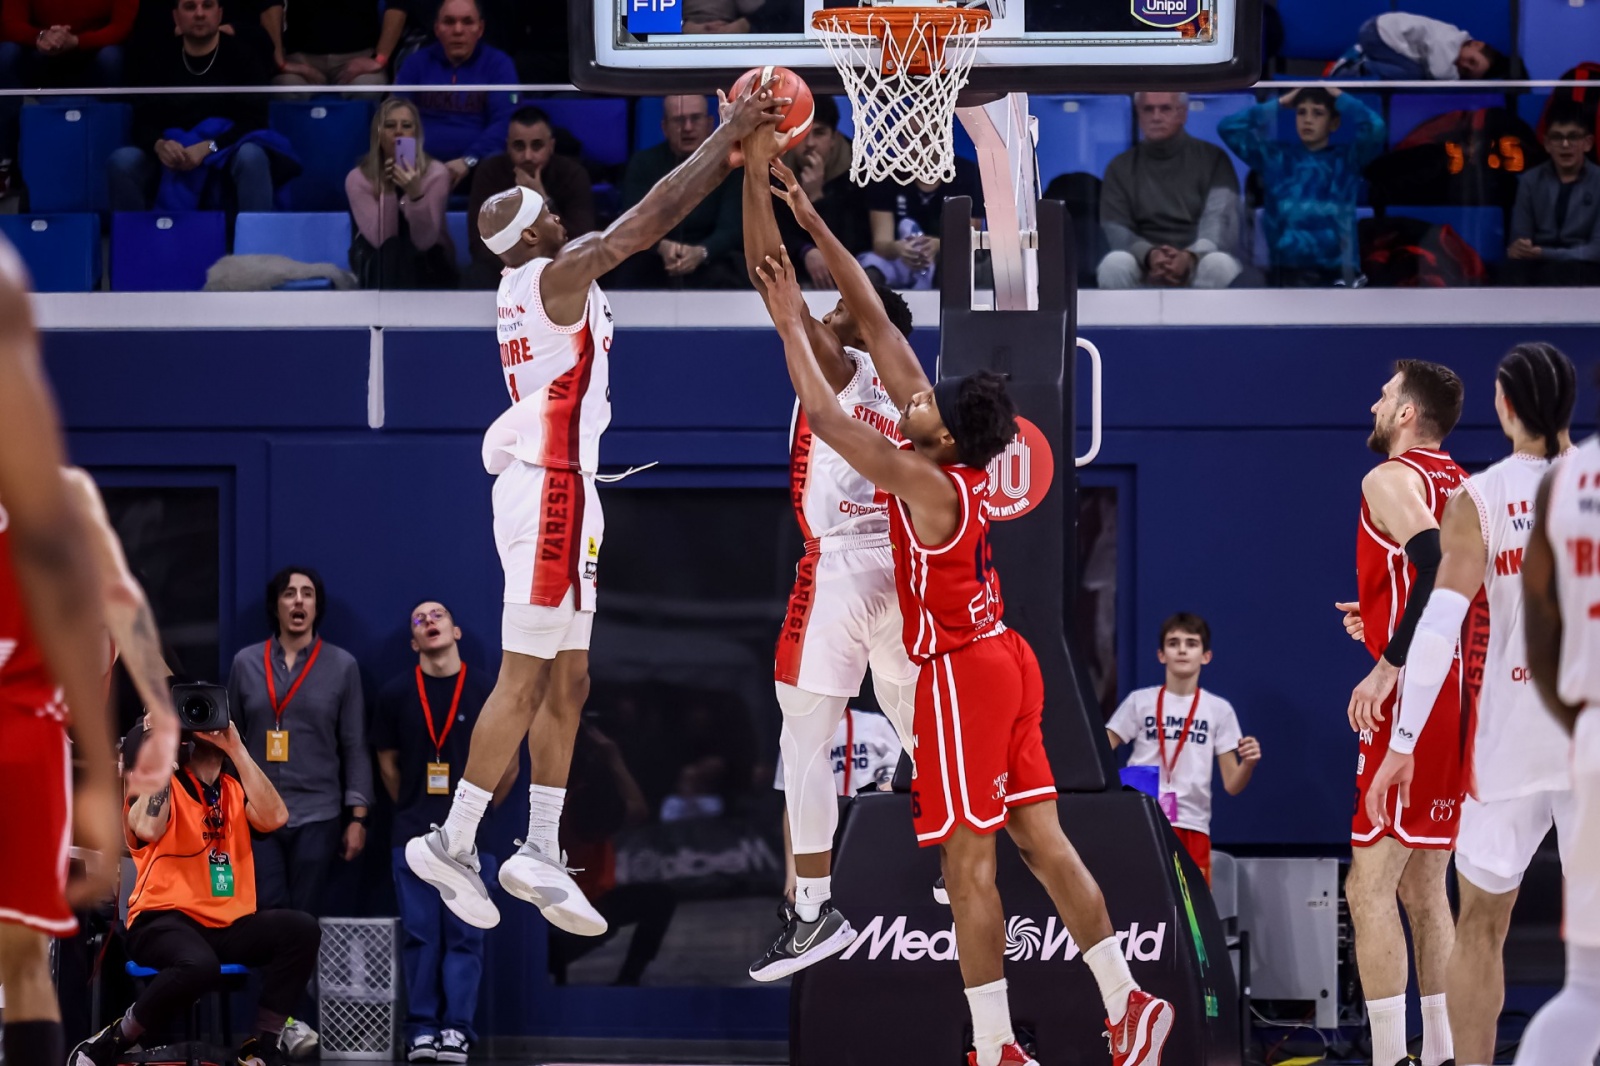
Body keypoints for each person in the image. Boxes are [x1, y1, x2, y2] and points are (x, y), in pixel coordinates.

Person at [755, 159, 1175, 1066]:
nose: (915, 396)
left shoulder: (923, 476)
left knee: (968, 866)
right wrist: (816, 222)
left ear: (942, 434)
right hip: (1008, 659)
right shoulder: (947, 448)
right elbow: (870, 310)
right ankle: (1127, 999)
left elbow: (827, 420)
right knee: (1045, 843)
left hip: (959, 675)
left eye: (926, 404)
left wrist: (790, 318)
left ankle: (992, 1045)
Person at [400, 80, 785, 932]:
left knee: (571, 677)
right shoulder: (550, 276)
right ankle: (456, 839)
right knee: (526, 673)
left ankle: (538, 845)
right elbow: (644, 221)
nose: (557, 214)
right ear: (530, 236)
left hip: (567, 490)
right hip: (551, 492)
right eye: (543, 210)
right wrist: (722, 143)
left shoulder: (530, 282)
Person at [738, 122, 919, 981]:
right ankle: (968, 863)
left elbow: (766, 266)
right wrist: (811, 210)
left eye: (839, 307)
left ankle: (811, 911)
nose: (831, 302)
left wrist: (752, 175)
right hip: (906, 573)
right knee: (927, 738)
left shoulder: (838, 364)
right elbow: (858, 291)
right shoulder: (912, 377)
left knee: (804, 743)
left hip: (843, 569)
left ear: (849, 325)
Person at [1363, 343, 1577, 1066]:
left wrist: (1402, 743)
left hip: (1507, 735)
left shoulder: (1478, 499)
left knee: (1480, 923)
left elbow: (1437, 632)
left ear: (1505, 408)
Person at [0, 237, 174, 1066]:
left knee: (22, 957)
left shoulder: (58, 493)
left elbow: (117, 602)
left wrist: (157, 725)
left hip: (21, 734)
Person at [1336, 360, 1467, 1066]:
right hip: (1463, 692)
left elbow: (1437, 559)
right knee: (1425, 884)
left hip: (1416, 694)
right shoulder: (1464, 482)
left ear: (1408, 414)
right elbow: (1461, 588)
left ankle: (1390, 1057)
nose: (1375, 402)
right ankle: (1442, 1052)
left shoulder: (1388, 478)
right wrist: (1384, 620)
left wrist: (1388, 665)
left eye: (1385, 395)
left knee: (1369, 884)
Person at [70, 718, 317, 1066]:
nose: (208, 726)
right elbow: (148, 827)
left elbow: (276, 817)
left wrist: (237, 748)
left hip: (228, 923)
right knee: (201, 966)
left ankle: (261, 1046)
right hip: (161, 919)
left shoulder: (234, 788)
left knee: (301, 929)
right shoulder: (158, 782)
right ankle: (115, 1038)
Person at [374, 601, 509, 1064]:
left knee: (466, 936)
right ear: (413, 642)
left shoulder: (486, 689)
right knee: (421, 935)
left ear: (456, 631)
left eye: (437, 616)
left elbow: (509, 763)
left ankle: (457, 1030)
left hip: (474, 836)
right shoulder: (394, 694)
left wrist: (482, 812)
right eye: (418, 620)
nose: (429, 622)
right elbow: (388, 764)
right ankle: (421, 1031)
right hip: (412, 833)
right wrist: (414, 807)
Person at [1512, 383, 1600, 1065]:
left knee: (1588, 991)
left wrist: (1578, 721)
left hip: (1592, 731)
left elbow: (1538, 632)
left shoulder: (1567, 482)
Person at [227, 566, 372, 915]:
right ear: (276, 605)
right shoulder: (246, 662)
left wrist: (358, 819)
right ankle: (266, 973)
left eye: (307, 593)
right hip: (257, 812)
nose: (298, 600)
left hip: (318, 813)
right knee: (266, 912)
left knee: (304, 917)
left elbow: (354, 744)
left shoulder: (342, 665)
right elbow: (231, 740)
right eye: (289, 593)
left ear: (316, 606)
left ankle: (300, 973)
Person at [1105, 613, 1261, 884]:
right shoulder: (1139, 701)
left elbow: (1232, 785)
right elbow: (1100, 750)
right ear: (1161, 655)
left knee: (1190, 915)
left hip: (1191, 822)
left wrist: (1248, 763)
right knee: (1135, 899)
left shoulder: (1218, 710)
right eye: (1173, 643)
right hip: (1140, 818)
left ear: (1206, 656)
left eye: (1191, 643)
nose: (1181, 649)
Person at [107, 0, 278, 215]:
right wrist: (159, 145)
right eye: (190, 7)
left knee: (252, 156)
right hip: (172, 152)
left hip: (223, 149)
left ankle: (256, 243)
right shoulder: (158, 57)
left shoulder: (244, 55)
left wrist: (208, 147)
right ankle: (134, 243)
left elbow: (254, 122)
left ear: (219, 13)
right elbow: (143, 119)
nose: (199, 14)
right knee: (123, 161)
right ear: (176, 17)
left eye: (207, 6)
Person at [545, 722, 675, 987]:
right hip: (568, 914)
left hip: (578, 903)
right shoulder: (582, 806)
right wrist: (614, 759)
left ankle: (627, 980)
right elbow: (638, 810)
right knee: (653, 902)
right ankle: (626, 980)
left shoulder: (557, 796)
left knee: (659, 898)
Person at [1218, 87, 1385, 287]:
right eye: (1301, 112)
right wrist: (1279, 104)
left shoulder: (1347, 159)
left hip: (1338, 272)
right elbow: (1228, 128)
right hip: (1285, 272)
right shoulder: (1275, 157)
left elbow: (1376, 127)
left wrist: (1341, 98)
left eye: (1318, 113)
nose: (1307, 120)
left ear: (1334, 123)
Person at [1098, 92, 1242, 290]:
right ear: (1138, 114)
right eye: (1148, 109)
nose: (1156, 117)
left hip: (1198, 259)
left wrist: (1189, 257)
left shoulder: (1213, 159)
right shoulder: (1119, 167)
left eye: (1165, 108)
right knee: (1113, 264)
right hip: (1143, 262)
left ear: (1182, 114)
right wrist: (1150, 255)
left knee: (1220, 264)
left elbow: (1218, 221)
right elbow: (1116, 227)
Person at [610, 95, 746, 289]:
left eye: (696, 118)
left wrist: (702, 252)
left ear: (709, 124)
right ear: (664, 127)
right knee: (629, 269)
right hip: (655, 255)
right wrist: (661, 246)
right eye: (679, 120)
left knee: (732, 270)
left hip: (712, 255)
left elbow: (731, 227)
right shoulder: (642, 163)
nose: (688, 127)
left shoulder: (731, 163)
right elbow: (631, 221)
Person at [773, 705, 901, 900]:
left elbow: (901, 779)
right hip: (823, 840)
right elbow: (791, 806)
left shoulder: (875, 725)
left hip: (874, 835)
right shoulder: (795, 734)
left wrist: (889, 786)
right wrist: (792, 870)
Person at [466, 106, 596, 289]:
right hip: (505, 271)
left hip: (559, 268)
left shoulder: (573, 175)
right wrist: (524, 268)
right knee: (477, 274)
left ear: (551, 146)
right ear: (507, 146)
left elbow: (582, 241)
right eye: (519, 146)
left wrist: (543, 200)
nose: (528, 156)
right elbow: (479, 244)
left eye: (537, 146)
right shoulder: (490, 173)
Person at [394, 0, 516, 191]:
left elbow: (505, 122)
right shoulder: (415, 64)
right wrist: (406, 163)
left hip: (478, 166)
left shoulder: (499, 64)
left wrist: (469, 160)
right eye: (449, 22)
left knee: (498, 166)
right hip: (420, 168)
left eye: (467, 22)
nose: (458, 30)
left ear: (480, 28)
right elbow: (396, 118)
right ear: (437, 28)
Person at [346, 98, 458, 290]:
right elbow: (382, 241)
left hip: (428, 263)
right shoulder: (358, 179)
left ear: (416, 134)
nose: (398, 132)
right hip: (379, 262)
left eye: (406, 126)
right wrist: (388, 191)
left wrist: (415, 194)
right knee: (391, 252)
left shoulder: (436, 174)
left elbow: (424, 242)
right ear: (378, 134)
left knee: (413, 256)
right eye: (390, 126)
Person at [776, 96, 869, 289]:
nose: (809, 143)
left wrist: (817, 199)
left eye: (819, 133)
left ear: (834, 138)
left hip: (847, 272)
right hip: (794, 268)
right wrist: (805, 250)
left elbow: (854, 242)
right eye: (803, 134)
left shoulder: (859, 174)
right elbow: (773, 231)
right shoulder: (776, 169)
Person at [858, 149, 983, 291]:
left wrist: (937, 245)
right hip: (897, 260)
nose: (915, 145)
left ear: (941, 139)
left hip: (944, 257)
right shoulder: (885, 172)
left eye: (923, 139)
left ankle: (950, 311)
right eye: (908, 137)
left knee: (956, 263)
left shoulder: (967, 173)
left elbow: (969, 236)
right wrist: (898, 248)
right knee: (869, 272)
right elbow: (881, 243)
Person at [1506, 104, 1600, 286]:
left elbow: (1597, 250)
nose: (1565, 145)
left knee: (1560, 273)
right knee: (1510, 271)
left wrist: (1544, 253)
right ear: (1547, 144)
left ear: (1587, 143)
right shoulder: (1530, 180)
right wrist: (1519, 248)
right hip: (1537, 262)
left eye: (1573, 137)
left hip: (1585, 265)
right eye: (1557, 137)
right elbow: (1519, 237)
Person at [1329, 12, 1509, 81]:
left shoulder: (1453, 46)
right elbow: (1438, 72)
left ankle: (1363, 57)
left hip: (1383, 37)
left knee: (1411, 73)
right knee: (1414, 75)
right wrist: (1457, 79)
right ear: (1476, 44)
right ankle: (1352, 69)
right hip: (1377, 34)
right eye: (1472, 61)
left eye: (1467, 72)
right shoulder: (1449, 41)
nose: (1464, 65)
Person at [262, 0, 404, 86]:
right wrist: (280, 62)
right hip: (301, 59)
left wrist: (379, 59)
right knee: (285, 87)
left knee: (368, 87)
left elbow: (397, 5)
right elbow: (270, 4)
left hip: (360, 57)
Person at [0, 0, 132, 88]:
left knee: (111, 56)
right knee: (8, 52)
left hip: (93, 52)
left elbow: (121, 27)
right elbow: (11, 25)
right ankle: (10, 127)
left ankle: (111, 122)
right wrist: (42, 36)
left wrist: (77, 41)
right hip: (42, 51)